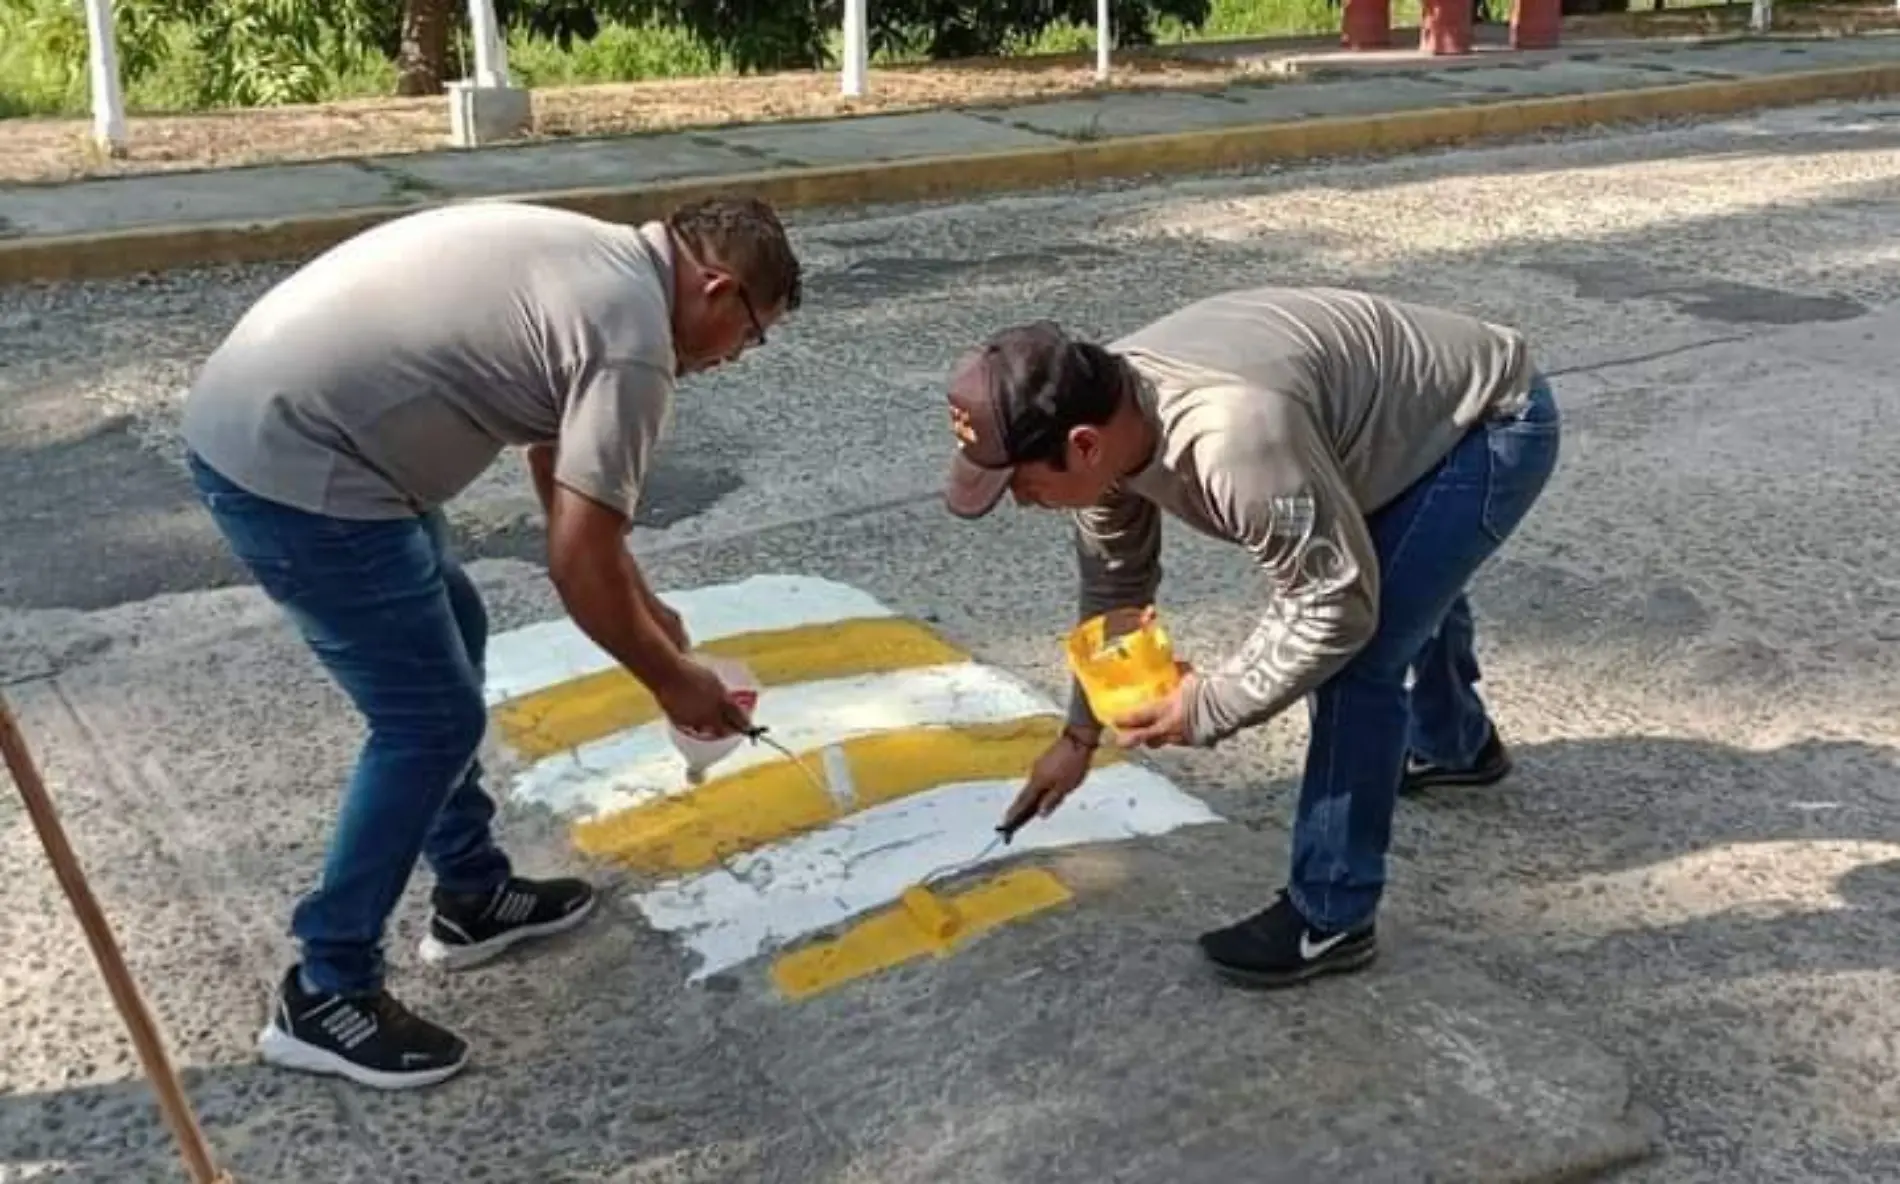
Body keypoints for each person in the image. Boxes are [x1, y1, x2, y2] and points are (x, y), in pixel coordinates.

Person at [180, 195, 802, 1089]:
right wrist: (673, 680)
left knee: (455, 634)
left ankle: (471, 895)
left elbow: (560, 469)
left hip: (310, 434)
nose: (735, 358)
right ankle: (325, 988)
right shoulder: (633, 341)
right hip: (301, 466)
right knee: (427, 722)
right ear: (717, 288)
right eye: (750, 335)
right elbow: (577, 566)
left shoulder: (606, 265)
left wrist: (646, 601)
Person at [939, 286, 1559, 989]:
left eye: (1019, 485)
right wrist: (1078, 738)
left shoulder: (1235, 440)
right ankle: (1456, 744)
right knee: (1408, 578)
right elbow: (1116, 589)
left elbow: (1334, 605)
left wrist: (1208, 706)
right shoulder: (1100, 415)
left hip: (1488, 424)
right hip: (1388, 425)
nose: (1021, 504)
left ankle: (1331, 914)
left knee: (1360, 657)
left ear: (1081, 447)